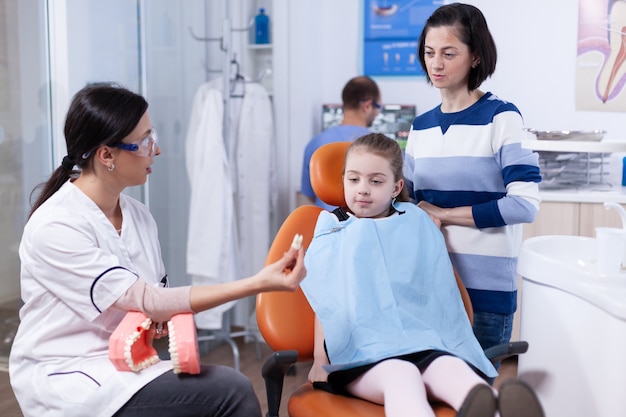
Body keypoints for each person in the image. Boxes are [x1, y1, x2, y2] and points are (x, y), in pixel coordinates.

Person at [8, 83, 306, 417]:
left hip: (128, 364)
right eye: (146, 140)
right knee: (230, 391)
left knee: (221, 389)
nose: (157, 150)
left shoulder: (138, 216)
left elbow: (151, 304)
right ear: (107, 155)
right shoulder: (57, 225)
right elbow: (149, 300)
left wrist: (158, 321)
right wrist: (259, 282)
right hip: (68, 375)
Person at [301, 133, 544, 417]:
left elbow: (435, 290)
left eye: (375, 181)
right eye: (353, 179)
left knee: (453, 370)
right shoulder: (333, 227)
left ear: (396, 187)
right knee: (402, 375)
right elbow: (327, 302)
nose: (363, 189)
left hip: (422, 341)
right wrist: (320, 358)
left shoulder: (415, 219)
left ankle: (498, 409)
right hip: (361, 353)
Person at [402, 3, 542, 360]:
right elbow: (409, 204)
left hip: (486, 295)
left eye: (449, 54)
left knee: (473, 398)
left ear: (475, 57)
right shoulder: (421, 127)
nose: (436, 64)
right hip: (430, 288)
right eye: (430, 53)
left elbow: (524, 204)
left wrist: (445, 214)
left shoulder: (502, 117)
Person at [300, 75, 381, 210]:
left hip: (326, 226)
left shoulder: (314, 144)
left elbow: (311, 194)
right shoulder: (385, 149)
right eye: (378, 107)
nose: (378, 112)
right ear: (367, 106)